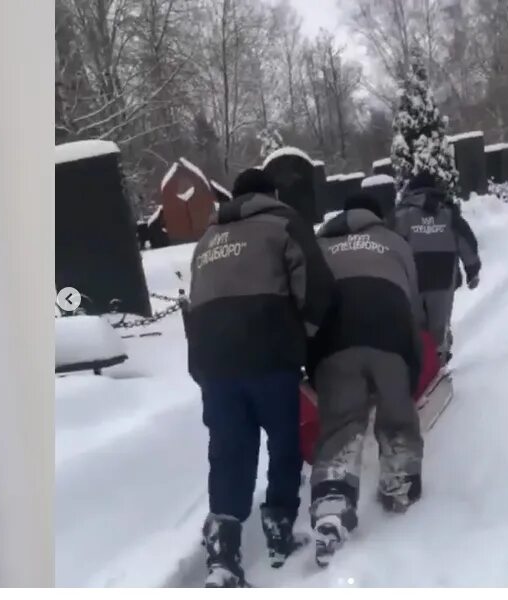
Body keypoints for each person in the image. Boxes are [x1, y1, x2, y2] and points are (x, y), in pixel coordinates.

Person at [183, 168, 334, 587]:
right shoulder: (284, 223)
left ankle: (224, 558)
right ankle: (279, 531)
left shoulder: (207, 240)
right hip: (269, 356)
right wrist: (300, 337)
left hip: (215, 363)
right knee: (285, 441)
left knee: (229, 450)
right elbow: (317, 286)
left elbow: (195, 302)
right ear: (272, 193)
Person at [307, 192, 426, 565]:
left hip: (334, 342)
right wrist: (412, 369)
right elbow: (413, 304)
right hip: (389, 334)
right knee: (396, 415)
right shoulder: (394, 242)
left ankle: (332, 503)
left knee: (341, 425)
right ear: (377, 217)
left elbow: (306, 299)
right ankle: (399, 482)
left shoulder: (320, 245)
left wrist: (314, 367)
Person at [392, 170, 481, 363]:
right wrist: (472, 270)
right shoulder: (448, 213)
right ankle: (439, 358)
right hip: (443, 275)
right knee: (439, 325)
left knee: (415, 324)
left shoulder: (401, 215)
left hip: (412, 278)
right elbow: (466, 241)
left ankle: (419, 365)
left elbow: (390, 246)